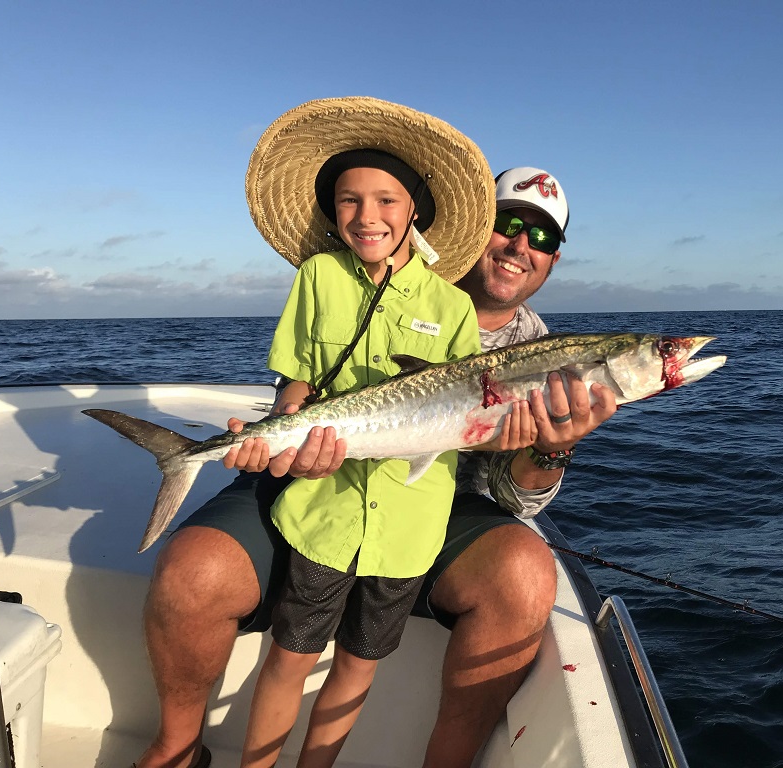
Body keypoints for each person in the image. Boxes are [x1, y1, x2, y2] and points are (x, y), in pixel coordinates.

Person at [135, 162, 616, 768]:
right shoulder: (360, 274)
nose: (521, 246)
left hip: (422, 512)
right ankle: (177, 752)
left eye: (541, 237)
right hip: (319, 486)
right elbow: (303, 380)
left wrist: (549, 447)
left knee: (524, 576)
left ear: (553, 259)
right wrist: (285, 427)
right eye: (508, 224)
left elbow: (513, 499)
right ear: (476, 228)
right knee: (193, 571)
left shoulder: (547, 350)